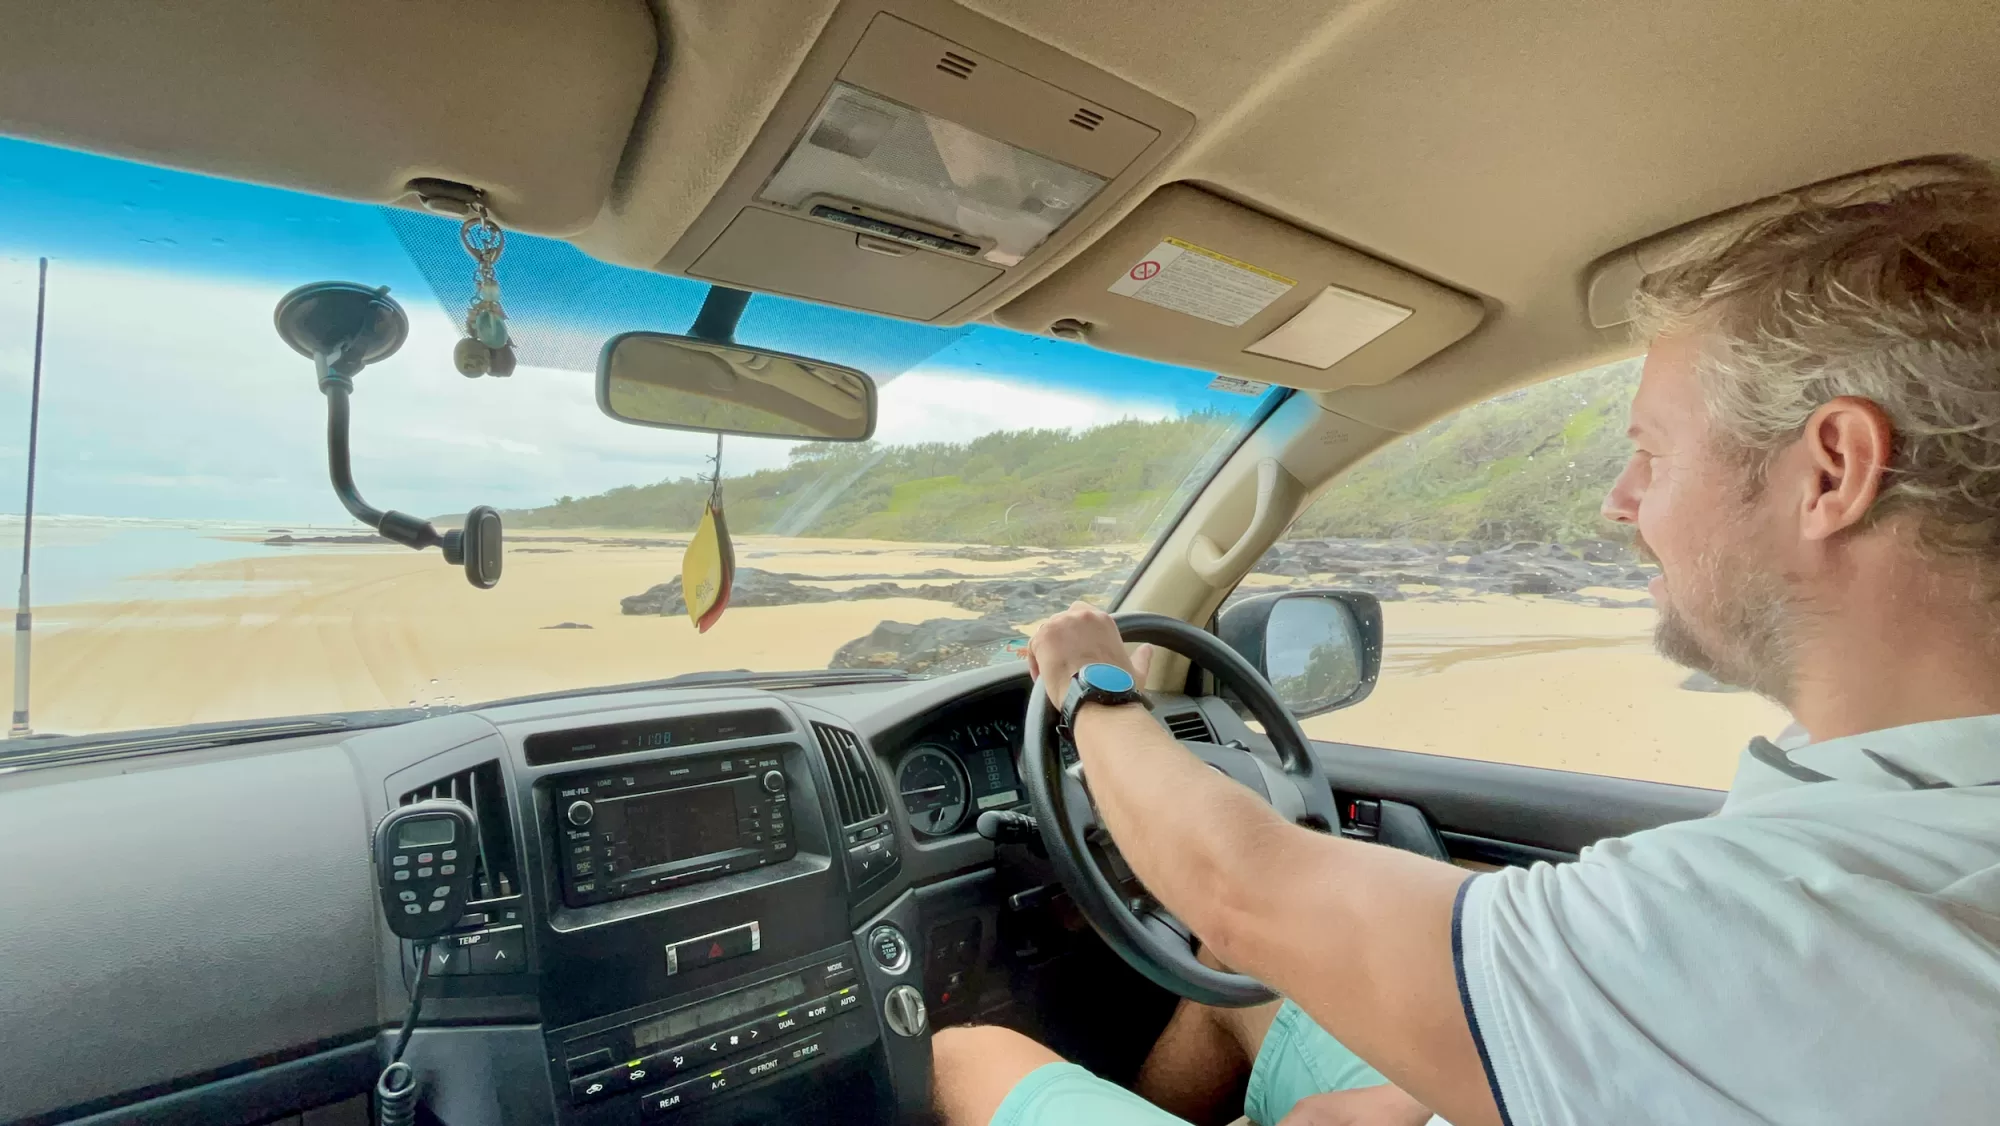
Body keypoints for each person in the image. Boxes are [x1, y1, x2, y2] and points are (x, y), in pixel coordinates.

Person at [930, 162, 2000, 1126]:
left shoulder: (1777, 911)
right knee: (1239, 980)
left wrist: (1092, 681)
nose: (1617, 504)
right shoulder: (1903, 852)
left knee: (965, 1057)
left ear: (1829, 472)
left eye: (1649, 452)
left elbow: (1237, 882)